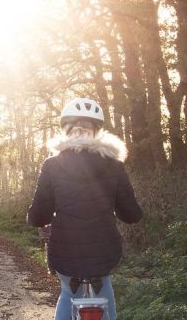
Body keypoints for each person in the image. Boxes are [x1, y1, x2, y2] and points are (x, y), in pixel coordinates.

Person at [27, 98, 143, 320]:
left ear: (66, 130)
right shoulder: (115, 165)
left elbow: (38, 215)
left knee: (69, 292)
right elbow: (131, 215)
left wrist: (35, 219)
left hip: (64, 251)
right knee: (105, 290)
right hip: (104, 251)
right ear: (97, 131)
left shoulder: (52, 165)